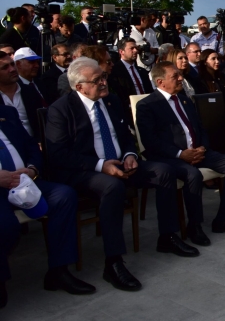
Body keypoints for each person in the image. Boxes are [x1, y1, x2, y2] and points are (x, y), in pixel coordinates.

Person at [46, 57, 199, 292]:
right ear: (80, 87)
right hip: (84, 171)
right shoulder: (61, 109)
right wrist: (101, 165)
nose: (104, 82)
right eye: (98, 80)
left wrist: (129, 154)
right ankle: (114, 262)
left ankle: (167, 236)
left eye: (104, 77)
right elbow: (59, 154)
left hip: (121, 163)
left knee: (163, 171)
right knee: (112, 187)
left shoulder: (111, 101)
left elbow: (126, 135)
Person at [136, 62, 225, 240]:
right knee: (192, 175)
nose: (181, 78)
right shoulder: (147, 105)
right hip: (170, 157)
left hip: (198, 151)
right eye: (175, 76)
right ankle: (194, 226)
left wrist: (203, 147)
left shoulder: (184, 99)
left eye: (180, 75)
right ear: (160, 82)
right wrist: (180, 154)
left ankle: (224, 218)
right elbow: (150, 141)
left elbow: (200, 127)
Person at [1, 105, 95, 309]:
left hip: (23, 181)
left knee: (63, 196)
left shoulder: (6, 113)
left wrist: (32, 169)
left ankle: (59, 272)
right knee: (6, 225)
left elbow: (31, 147)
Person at [0, 50, 45, 138]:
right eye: (5, 67)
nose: (12, 69)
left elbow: (40, 123)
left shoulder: (30, 91)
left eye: (12, 64)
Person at [109, 38, 154, 124]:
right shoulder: (114, 72)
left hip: (148, 111)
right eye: (131, 48)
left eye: (136, 48)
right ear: (121, 52)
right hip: (129, 114)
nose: (136, 51)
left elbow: (149, 91)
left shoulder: (142, 71)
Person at [198, 49, 225, 136]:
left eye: (218, 58)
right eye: (213, 59)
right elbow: (208, 104)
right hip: (216, 117)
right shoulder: (201, 81)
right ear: (205, 62)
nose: (217, 61)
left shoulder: (221, 76)